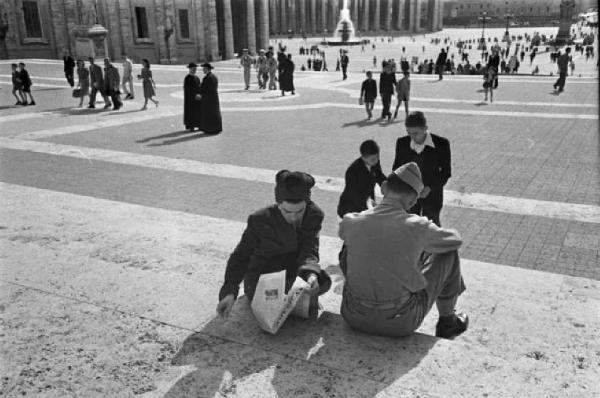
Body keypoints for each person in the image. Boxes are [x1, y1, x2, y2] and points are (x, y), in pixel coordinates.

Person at [338, 162, 468, 339]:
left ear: (384, 187)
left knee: (349, 246)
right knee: (448, 252)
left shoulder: (350, 221)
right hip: (400, 322)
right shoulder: (418, 226)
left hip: (353, 316)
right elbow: (455, 240)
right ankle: (448, 321)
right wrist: (422, 244)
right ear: (414, 200)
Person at [216, 170, 332, 318]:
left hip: (293, 268)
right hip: (264, 273)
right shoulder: (259, 219)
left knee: (321, 281)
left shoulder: (314, 214)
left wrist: (310, 273)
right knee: (270, 298)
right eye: (287, 212)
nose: (293, 217)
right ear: (278, 205)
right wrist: (229, 292)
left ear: (307, 203)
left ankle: (295, 299)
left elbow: (310, 246)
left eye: (299, 211)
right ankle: (291, 301)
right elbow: (241, 256)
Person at [392, 111, 451, 227]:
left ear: (425, 128)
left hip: (432, 196)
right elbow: (397, 169)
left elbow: (446, 172)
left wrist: (430, 188)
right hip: (409, 197)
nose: (412, 137)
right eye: (408, 133)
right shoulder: (402, 143)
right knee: (410, 229)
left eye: (415, 133)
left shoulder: (441, 144)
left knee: (432, 228)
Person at [337, 139, 386, 218]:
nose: (376, 161)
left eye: (377, 157)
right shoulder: (352, 171)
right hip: (350, 212)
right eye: (373, 159)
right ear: (363, 157)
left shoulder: (374, 162)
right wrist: (372, 208)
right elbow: (354, 195)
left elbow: (379, 176)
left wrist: (389, 187)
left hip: (367, 207)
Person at [198, 63, 222, 135]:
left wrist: (200, 93)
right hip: (214, 98)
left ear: (207, 69)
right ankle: (216, 128)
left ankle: (210, 129)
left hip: (208, 98)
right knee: (214, 112)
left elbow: (204, 88)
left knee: (209, 113)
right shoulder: (214, 76)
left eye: (204, 69)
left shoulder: (207, 78)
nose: (203, 70)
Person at [183, 62, 202, 131]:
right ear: (190, 69)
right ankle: (191, 126)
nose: (194, 70)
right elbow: (187, 89)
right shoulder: (187, 78)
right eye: (193, 69)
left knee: (197, 112)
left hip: (197, 98)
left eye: (195, 69)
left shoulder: (197, 78)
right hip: (190, 99)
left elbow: (199, 87)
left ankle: (198, 124)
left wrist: (200, 94)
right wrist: (194, 95)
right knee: (190, 112)